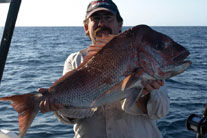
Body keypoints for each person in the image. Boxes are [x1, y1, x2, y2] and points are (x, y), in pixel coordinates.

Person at [39, 0, 170, 138]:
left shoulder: (143, 56)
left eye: (108, 18)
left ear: (119, 24)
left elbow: (161, 111)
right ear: (85, 27)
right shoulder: (75, 61)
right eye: (95, 19)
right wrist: (60, 106)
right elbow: (71, 118)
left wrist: (143, 95)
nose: (101, 23)